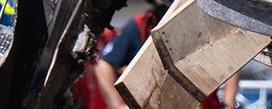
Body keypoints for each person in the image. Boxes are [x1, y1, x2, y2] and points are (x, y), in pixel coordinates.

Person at [90, 9, 240, 109]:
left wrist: (228, 102)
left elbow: (231, 55)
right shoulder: (141, 26)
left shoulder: (200, 23)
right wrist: (118, 105)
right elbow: (104, 64)